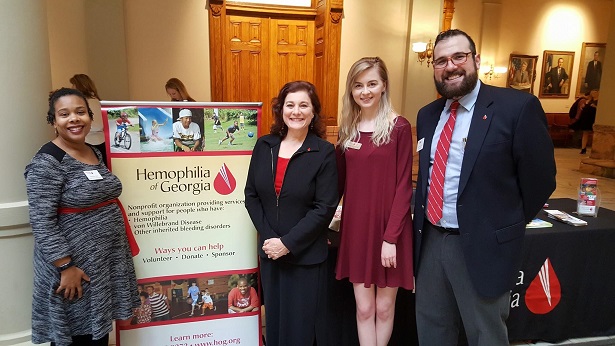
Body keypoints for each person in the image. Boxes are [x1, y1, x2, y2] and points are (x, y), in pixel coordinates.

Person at [413, 29, 556, 345]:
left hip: (482, 246)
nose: (450, 66)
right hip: (431, 242)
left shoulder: (516, 108)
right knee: (432, 329)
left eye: (458, 57)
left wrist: (502, 222)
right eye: (440, 61)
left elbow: (541, 180)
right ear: (433, 67)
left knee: (485, 335)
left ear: (475, 60)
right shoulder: (427, 115)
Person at [25, 88, 139, 345]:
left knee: (96, 331)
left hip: (101, 261)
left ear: (90, 116)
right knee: (76, 334)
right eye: (64, 114)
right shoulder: (47, 162)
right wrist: (65, 267)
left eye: (80, 112)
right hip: (73, 266)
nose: (74, 119)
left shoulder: (92, 151)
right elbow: (42, 222)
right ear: (54, 121)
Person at [244, 80, 338, 346]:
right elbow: (251, 195)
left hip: (305, 258)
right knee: (273, 325)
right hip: (271, 254)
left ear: (313, 112)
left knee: (300, 331)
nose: (296, 111)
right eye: (290, 105)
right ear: (281, 110)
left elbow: (325, 208)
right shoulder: (265, 146)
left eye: (303, 105)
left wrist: (287, 243)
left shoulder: (324, 152)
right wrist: (271, 240)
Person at [335, 57, 414, 346]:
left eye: (372, 84)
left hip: (390, 231)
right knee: (365, 307)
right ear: (351, 90)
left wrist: (390, 238)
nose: (365, 91)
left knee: (384, 307)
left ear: (383, 86)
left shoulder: (399, 128)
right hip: (357, 229)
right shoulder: (348, 129)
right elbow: (338, 182)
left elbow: (405, 186)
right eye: (358, 85)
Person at [70, 74, 106, 164]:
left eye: (73, 85)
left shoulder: (91, 102)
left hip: (92, 142)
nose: (71, 88)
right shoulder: (88, 101)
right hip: (90, 142)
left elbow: (98, 125)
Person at [570, 89, 599, 154]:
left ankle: (595, 148)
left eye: (595, 92)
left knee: (595, 134)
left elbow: (600, 110)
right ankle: (583, 148)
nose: (594, 94)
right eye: (592, 93)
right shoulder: (588, 101)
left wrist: (595, 106)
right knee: (585, 133)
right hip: (587, 118)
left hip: (594, 118)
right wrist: (583, 107)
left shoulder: (599, 101)